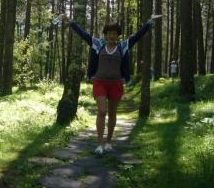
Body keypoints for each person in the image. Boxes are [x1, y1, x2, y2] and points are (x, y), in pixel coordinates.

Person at [60, 13, 161, 155]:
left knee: (112, 113)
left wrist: (149, 22)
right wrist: (70, 22)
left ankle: (108, 142)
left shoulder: (123, 46)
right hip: (99, 82)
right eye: (109, 33)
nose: (111, 36)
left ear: (118, 35)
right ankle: (100, 143)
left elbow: (137, 36)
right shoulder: (98, 44)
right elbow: (83, 34)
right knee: (102, 111)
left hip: (116, 84)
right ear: (105, 34)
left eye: (114, 33)